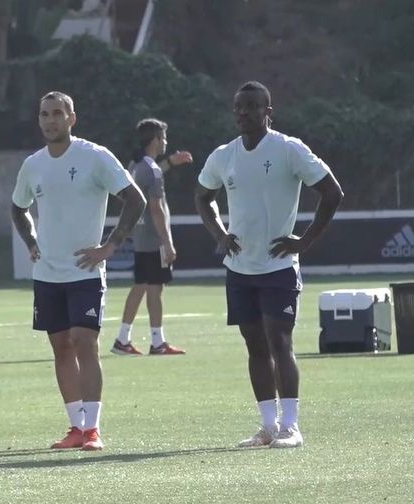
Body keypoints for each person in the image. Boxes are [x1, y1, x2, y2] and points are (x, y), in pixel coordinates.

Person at [195, 81, 343, 449]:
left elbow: (332, 192)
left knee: (280, 341)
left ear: (268, 112)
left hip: (278, 267)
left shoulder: (288, 149)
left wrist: (304, 241)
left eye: (252, 106)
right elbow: (202, 195)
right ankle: (267, 426)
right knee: (255, 345)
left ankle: (291, 426)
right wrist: (219, 234)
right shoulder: (223, 156)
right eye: (239, 107)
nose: (244, 113)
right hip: (240, 269)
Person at [10, 91, 146, 452]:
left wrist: (110, 245)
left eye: (57, 113)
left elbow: (135, 199)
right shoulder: (33, 164)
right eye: (44, 114)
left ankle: (92, 430)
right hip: (48, 274)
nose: (50, 120)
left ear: (72, 118)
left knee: (85, 342)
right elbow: (18, 207)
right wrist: (31, 241)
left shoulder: (94, 157)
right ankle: (74, 426)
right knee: (60, 346)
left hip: (85, 270)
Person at [111, 118, 192, 356]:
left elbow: (126, 193)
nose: (165, 141)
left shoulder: (136, 165)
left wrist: (169, 162)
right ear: (155, 139)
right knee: (154, 288)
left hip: (140, 235)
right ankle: (156, 342)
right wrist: (167, 243)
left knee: (143, 286)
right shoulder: (152, 170)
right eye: (163, 137)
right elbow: (156, 208)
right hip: (154, 239)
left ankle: (124, 339)